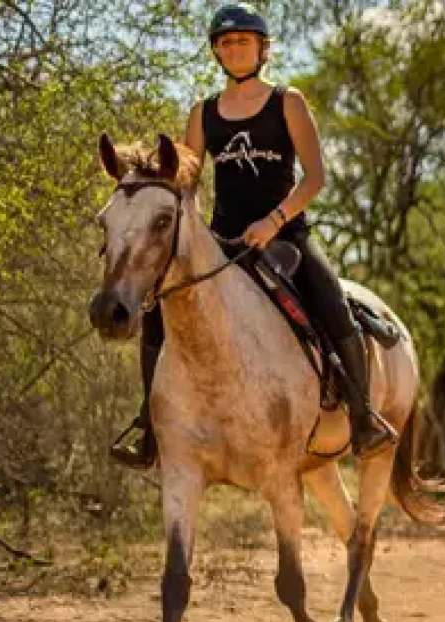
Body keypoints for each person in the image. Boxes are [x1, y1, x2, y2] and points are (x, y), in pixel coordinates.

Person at [110, 2, 394, 468]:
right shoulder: (203, 113)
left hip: (288, 236)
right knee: (160, 308)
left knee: (333, 303)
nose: (233, 48)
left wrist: (274, 221)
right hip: (224, 242)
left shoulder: (289, 101)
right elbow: (185, 179)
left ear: (262, 49)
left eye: (242, 40)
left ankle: (363, 417)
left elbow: (315, 178)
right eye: (225, 42)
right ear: (217, 54)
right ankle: (148, 426)